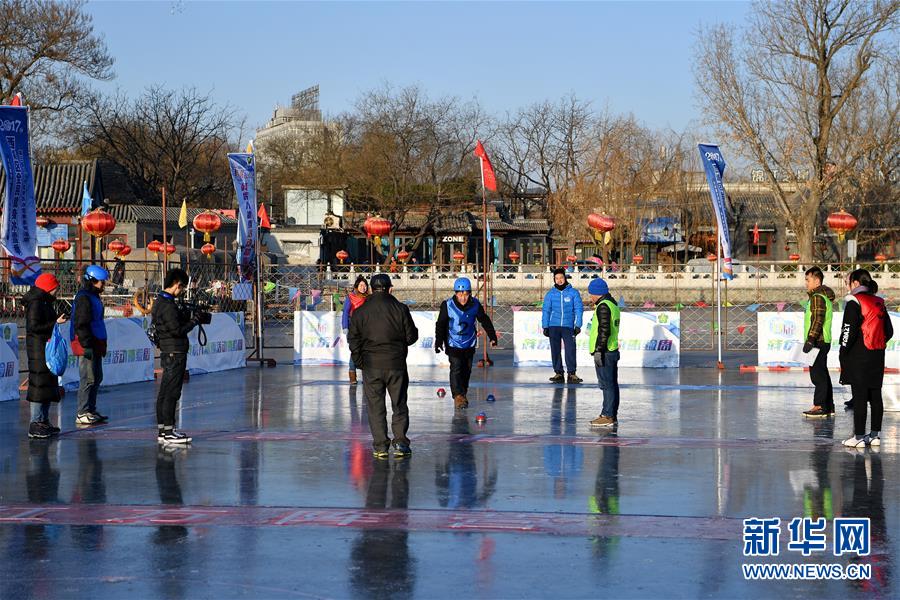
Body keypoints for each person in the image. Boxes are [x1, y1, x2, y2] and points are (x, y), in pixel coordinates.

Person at [348, 273, 418, 459]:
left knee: (375, 407)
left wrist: (360, 361)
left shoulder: (361, 311)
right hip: (396, 364)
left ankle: (380, 446)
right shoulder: (400, 309)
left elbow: (353, 340)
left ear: (371, 288)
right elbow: (412, 337)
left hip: (371, 366)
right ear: (390, 288)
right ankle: (401, 443)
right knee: (399, 405)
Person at [839, 269, 893, 448]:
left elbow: (848, 331)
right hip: (878, 354)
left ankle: (859, 436)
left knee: (860, 395)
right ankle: (875, 435)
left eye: (849, 282)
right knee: (875, 394)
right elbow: (889, 331)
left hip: (859, 355)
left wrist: (844, 351)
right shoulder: (879, 302)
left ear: (855, 283)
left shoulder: (854, 301)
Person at [151, 268, 202, 445]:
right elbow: (177, 330)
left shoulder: (160, 301)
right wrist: (194, 321)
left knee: (165, 391)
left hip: (168, 351)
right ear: (177, 285)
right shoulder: (167, 305)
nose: (181, 292)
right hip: (175, 351)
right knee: (172, 392)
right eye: (182, 288)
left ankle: (163, 430)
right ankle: (169, 431)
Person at [434, 277, 498, 409]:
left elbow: (484, 320)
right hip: (453, 343)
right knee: (456, 368)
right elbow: (440, 324)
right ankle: (458, 396)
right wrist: (439, 341)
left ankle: (463, 393)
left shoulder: (475, 305)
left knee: (466, 370)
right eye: (460, 294)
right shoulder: (447, 305)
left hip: (469, 343)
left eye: (466, 294)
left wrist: (492, 336)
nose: (463, 298)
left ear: (469, 293)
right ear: (455, 293)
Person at [23, 273, 67, 439]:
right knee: (38, 384)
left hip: (45, 347)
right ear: (49, 288)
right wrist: (55, 322)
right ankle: (35, 422)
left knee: (47, 383)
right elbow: (34, 326)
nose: (57, 291)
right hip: (38, 349)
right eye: (55, 287)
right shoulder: (36, 303)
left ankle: (43, 420)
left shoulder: (43, 302)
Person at [71, 265, 110, 426]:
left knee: (96, 377)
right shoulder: (84, 298)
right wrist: (87, 344)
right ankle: (82, 412)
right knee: (88, 378)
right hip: (87, 343)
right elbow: (81, 323)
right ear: (92, 281)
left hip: (96, 342)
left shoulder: (94, 296)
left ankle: (90, 410)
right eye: (101, 282)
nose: (103, 285)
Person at [801, 266, 836, 418]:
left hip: (818, 341)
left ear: (817, 280)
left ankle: (820, 405)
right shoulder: (822, 297)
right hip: (823, 340)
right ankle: (828, 405)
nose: (806, 283)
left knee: (817, 375)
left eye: (808, 280)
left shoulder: (817, 297)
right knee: (822, 373)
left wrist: (810, 339)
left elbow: (818, 319)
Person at [587, 279, 621, 427]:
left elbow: (604, 331)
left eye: (591, 293)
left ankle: (608, 415)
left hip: (605, 351)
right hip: (611, 349)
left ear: (596, 293)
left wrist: (599, 350)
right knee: (612, 384)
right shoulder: (612, 304)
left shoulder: (603, 306)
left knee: (607, 384)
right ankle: (610, 413)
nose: (590, 297)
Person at [542, 267, 584, 383]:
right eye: (556, 278)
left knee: (570, 349)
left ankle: (572, 373)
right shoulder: (550, 294)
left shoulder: (573, 293)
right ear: (554, 280)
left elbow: (579, 309)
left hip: (568, 326)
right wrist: (545, 326)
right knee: (555, 350)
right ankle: (558, 373)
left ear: (565, 278)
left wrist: (578, 325)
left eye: (561, 278)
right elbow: (546, 310)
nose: (559, 280)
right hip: (554, 326)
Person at [342, 276, 369, 385]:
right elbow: (345, 312)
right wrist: (345, 327)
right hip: (354, 328)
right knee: (355, 351)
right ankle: (352, 374)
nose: (363, 287)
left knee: (366, 351)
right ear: (357, 287)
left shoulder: (369, 298)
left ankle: (366, 375)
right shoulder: (351, 297)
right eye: (361, 285)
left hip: (366, 329)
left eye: (365, 285)